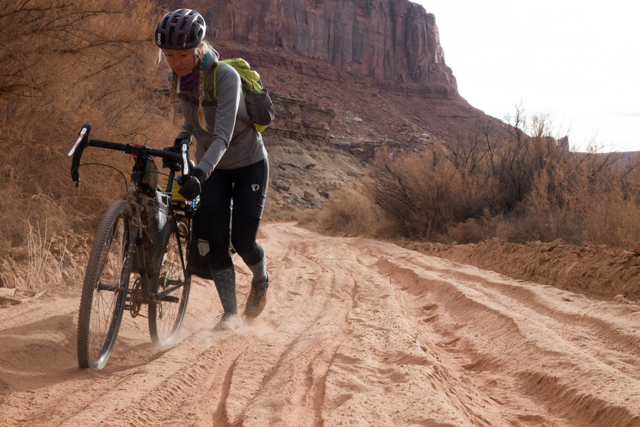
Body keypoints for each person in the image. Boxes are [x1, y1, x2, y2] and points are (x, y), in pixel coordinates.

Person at [154, 9, 269, 331]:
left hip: (248, 164)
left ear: (198, 48)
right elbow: (192, 121)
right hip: (212, 167)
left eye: (183, 54)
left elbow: (222, 134)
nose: (176, 62)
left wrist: (199, 174)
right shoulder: (175, 79)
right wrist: (180, 140)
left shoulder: (225, 77)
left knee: (244, 241)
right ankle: (230, 314)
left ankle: (261, 279)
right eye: (168, 55)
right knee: (216, 239)